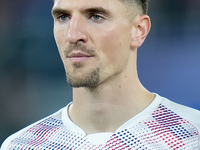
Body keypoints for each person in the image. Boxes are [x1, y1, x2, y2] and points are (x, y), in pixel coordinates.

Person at [1, 0, 200, 149]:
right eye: (63, 17)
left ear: (139, 30)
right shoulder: (23, 145)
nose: (72, 35)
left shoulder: (193, 136)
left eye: (96, 16)